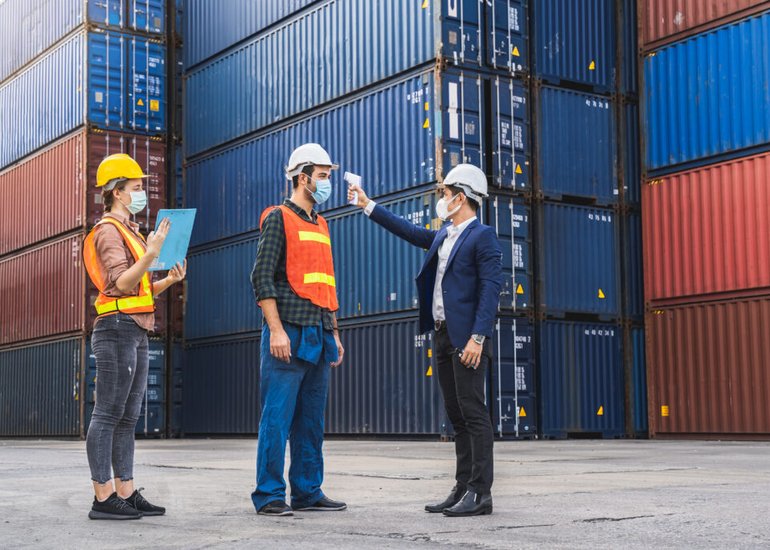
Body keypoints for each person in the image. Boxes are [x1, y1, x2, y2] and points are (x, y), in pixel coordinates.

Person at [348, 164, 502, 517]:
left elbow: (490, 291)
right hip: (443, 333)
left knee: (474, 413)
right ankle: (463, 486)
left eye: (446, 194)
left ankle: (481, 493)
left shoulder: (483, 237)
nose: (442, 199)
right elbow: (410, 231)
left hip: (468, 338)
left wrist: (478, 337)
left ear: (460, 197)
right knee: (456, 415)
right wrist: (368, 204)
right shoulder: (444, 234)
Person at [82, 153, 187, 520]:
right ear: (118, 193)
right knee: (108, 413)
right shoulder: (108, 231)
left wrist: (169, 279)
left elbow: (139, 291)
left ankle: (124, 491)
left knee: (128, 417)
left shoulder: (133, 232)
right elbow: (119, 283)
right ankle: (103, 497)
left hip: (135, 328)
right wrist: (152, 254)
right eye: (137, 187)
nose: (143, 192)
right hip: (115, 330)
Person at [250, 143, 346, 517]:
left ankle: (307, 490)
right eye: (322, 176)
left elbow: (326, 285)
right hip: (287, 330)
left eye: (328, 176)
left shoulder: (321, 224)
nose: (327, 183)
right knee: (277, 417)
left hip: (319, 332)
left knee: (311, 419)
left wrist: (333, 332)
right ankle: (270, 494)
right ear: (303, 178)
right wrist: (275, 330)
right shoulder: (278, 217)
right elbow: (262, 277)